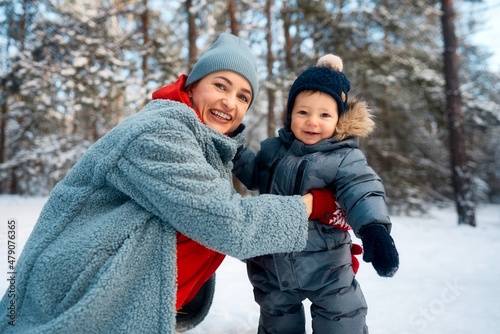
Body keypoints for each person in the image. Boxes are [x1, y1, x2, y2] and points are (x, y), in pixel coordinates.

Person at [0, 33, 341, 334]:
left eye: (242, 97)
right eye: (220, 85)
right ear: (192, 86)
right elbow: (227, 222)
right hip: (75, 297)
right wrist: (312, 205)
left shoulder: (204, 143)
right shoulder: (160, 132)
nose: (229, 102)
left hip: (116, 301)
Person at [232, 54, 400, 334]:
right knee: (278, 322)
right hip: (273, 265)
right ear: (290, 114)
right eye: (303, 112)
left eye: (324, 115)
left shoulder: (345, 158)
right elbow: (253, 175)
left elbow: (362, 190)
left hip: (328, 267)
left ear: (340, 119)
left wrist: (374, 230)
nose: (312, 122)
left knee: (343, 319)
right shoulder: (274, 149)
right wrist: (234, 148)